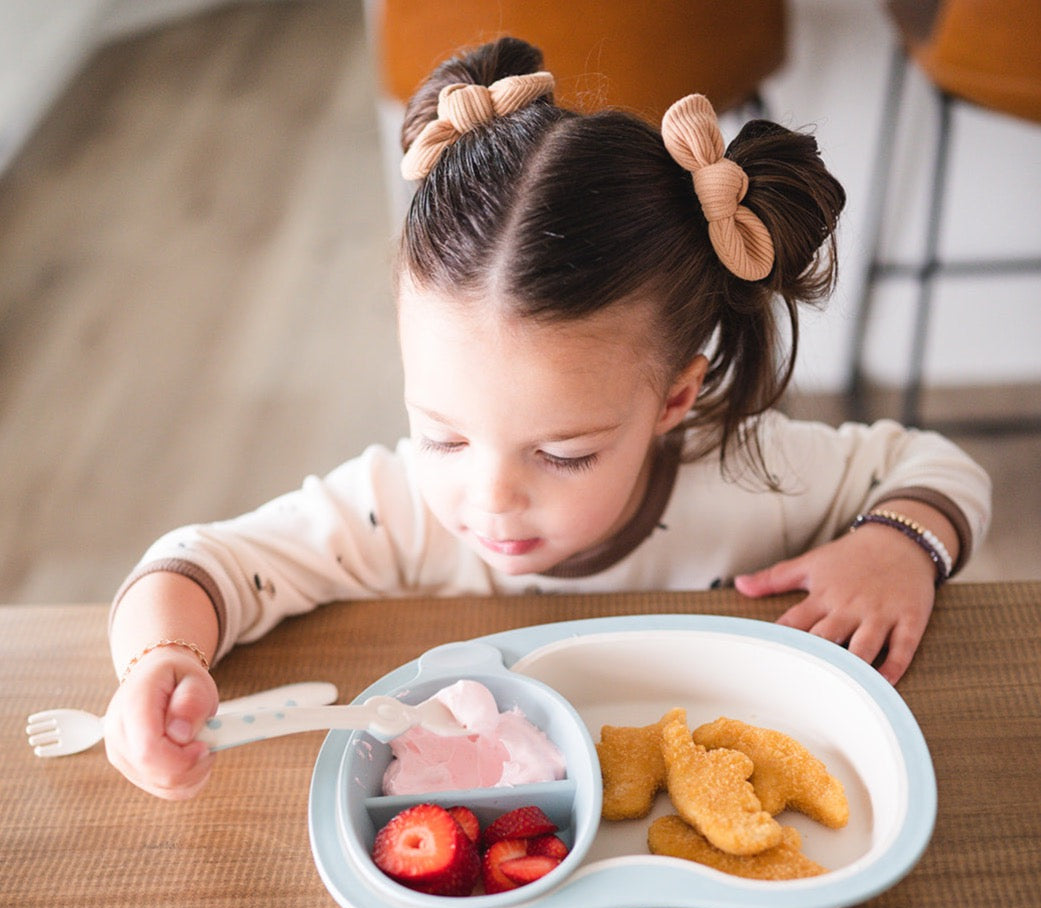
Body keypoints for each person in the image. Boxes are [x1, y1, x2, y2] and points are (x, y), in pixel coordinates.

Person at [104, 37, 990, 799]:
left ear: (674, 399)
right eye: (442, 434)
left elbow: (938, 470)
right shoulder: (400, 508)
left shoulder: (748, 472)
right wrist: (161, 662)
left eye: (563, 453)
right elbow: (201, 562)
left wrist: (896, 544)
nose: (486, 498)